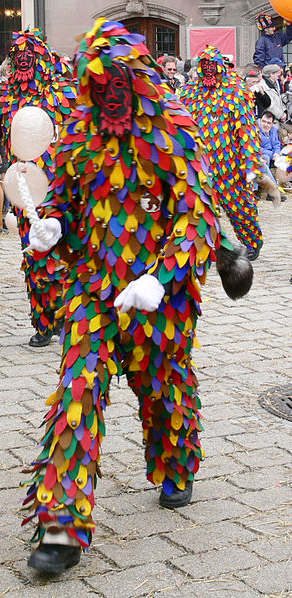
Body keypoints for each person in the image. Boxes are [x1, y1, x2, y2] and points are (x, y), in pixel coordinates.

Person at [20, 18, 255, 574]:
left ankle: (177, 467)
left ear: (140, 81)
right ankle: (59, 526)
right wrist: (51, 225)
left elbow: (197, 219)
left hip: (160, 298)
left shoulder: (173, 133)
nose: (109, 99)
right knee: (76, 393)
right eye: (99, 90)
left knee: (163, 388)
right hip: (96, 293)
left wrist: (161, 278)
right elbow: (67, 207)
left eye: (118, 87)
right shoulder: (80, 137)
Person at [0, 28, 77, 346]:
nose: (24, 61)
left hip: (60, 189)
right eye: (18, 57)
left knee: (63, 253)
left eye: (30, 56)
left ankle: (68, 316)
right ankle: (44, 322)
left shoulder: (64, 94)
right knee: (34, 257)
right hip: (24, 189)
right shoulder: (5, 97)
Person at [180, 45, 264, 261]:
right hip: (198, 165)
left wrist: (251, 163)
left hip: (230, 166)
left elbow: (247, 131)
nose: (209, 70)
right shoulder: (189, 92)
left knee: (239, 206)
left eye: (213, 66)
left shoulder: (236, 92)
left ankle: (252, 241)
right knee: (198, 209)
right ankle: (203, 246)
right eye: (204, 66)